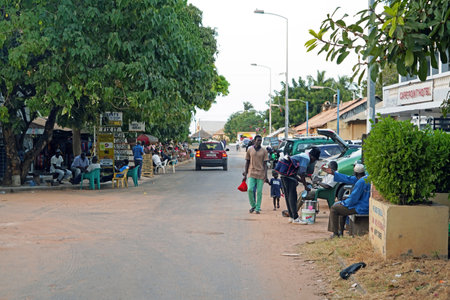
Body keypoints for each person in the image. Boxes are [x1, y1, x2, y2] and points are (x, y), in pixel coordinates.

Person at [322, 163, 370, 238]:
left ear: (355, 173)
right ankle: (340, 232)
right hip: (364, 204)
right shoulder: (365, 178)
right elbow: (348, 178)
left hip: (361, 207)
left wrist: (344, 202)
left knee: (335, 208)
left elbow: (353, 199)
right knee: (341, 207)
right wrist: (334, 173)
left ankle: (335, 234)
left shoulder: (361, 182)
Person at [280, 147, 321, 224]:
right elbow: (301, 173)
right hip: (289, 177)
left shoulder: (302, 155)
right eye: (314, 160)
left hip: (284, 175)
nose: (313, 162)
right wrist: (305, 185)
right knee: (293, 197)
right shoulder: (306, 159)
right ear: (313, 157)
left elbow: (296, 174)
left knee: (288, 197)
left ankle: (292, 217)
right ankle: (295, 218)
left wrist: (303, 182)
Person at [243, 135, 268, 214]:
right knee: (250, 189)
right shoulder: (250, 150)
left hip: (260, 173)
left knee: (259, 191)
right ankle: (253, 205)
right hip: (251, 172)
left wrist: (266, 175)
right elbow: (247, 162)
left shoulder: (264, 151)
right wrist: (245, 173)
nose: (259, 142)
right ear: (254, 141)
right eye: (258, 140)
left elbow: (265, 164)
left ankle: (257, 208)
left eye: (260, 140)